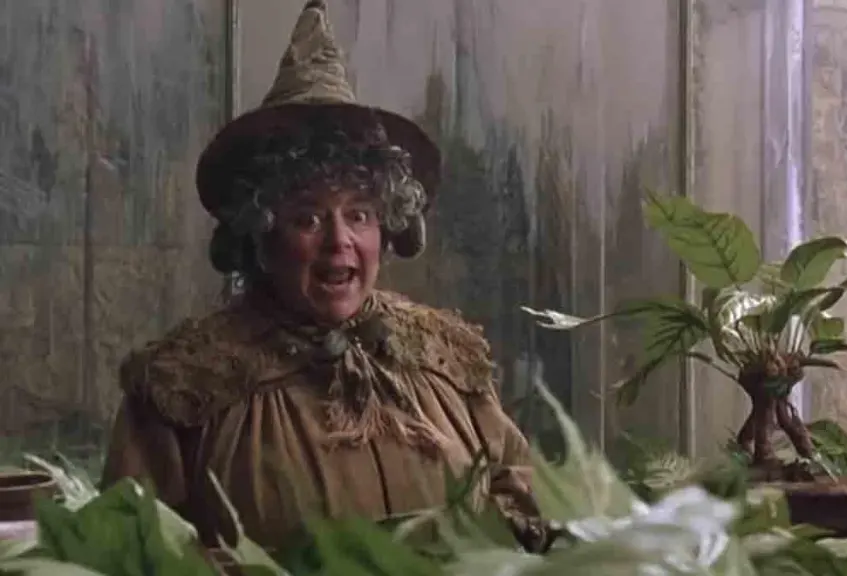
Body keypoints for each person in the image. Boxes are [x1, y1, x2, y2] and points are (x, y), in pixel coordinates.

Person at [100, 0, 551, 553]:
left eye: (359, 214)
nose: (340, 241)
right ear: (261, 234)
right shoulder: (182, 387)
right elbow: (129, 549)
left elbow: (516, 485)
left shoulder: (445, 356)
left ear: (385, 225)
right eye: (308, 218)